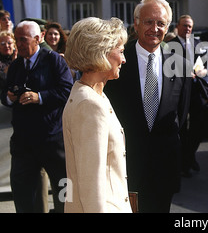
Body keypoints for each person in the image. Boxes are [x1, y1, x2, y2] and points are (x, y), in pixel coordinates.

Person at [104, 0, 191, 213]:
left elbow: (181, 113)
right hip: (124, 166)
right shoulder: (115, 61)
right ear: (136, 23)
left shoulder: (180, 64)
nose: (155, 28)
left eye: (161, 23)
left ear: (168, 26)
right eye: (148, 22)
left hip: (164, 167)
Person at [0, 20, 73, 213]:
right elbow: (5, 93)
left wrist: (39, 97)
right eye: (17, 40)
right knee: (24, 191)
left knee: (64, 189)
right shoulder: (15, 66)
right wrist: (9, 97)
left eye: (23, 40)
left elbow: (67, 91)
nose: (19, 44)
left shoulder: (53, 60)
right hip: (24, 142)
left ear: (37, 38)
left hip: (52, 139)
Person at [62, 17, 131, 213]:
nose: (124, 59)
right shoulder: (90, 104)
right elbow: (91, 184)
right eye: (121, 51)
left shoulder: (94, 96)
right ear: (101, 52)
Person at [170, 15, 208, 177]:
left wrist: (199, 71)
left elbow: (206, 64)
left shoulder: (198, 44)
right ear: (178, 27)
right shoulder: (170, 45)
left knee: (198, 127)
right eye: (185, 26)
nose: (187, 29)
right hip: (179, 92)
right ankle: (184, 161)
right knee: (181, 128)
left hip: (196, 90)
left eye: (190, 26)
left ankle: (190, 155)